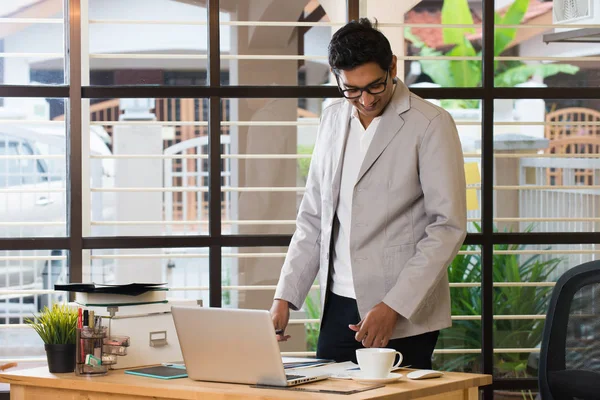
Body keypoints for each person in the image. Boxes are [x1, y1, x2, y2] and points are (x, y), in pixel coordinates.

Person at [270, 18, 467, 369]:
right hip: (338, 304)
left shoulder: (431, 124)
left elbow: (447, 226)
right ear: (336, 77)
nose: (364, 100)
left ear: (392, 66)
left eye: (374, 87)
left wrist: (393, 306)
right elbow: (314, 215)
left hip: (401, 311)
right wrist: (285, 295)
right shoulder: (332, 119)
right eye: (351, 89)